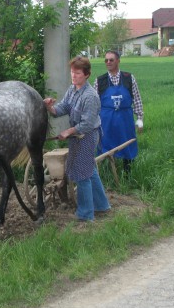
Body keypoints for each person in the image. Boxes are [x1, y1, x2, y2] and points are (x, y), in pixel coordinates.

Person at [44, 56, 111, 222]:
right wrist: (50, 107)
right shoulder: (72, 89)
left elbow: (87, 124)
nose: (74, 76)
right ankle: (102, 205)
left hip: (87, 136)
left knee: (82, 174)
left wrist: (68, 131)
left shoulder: (90, 96)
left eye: (78, 73)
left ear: (87, 74)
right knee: (90, 171)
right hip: (77, 135)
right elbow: (64, 107)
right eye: (72, 72)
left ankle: (86, 214)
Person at [93, 50, 144, 173]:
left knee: (127, 144)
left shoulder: (129, 78)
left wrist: (140, 118)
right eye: (106, 60)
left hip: (125, 119)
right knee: (106, 145)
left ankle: (128, 174)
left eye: (111, 60)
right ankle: (106, 173)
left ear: (118, 61)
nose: (108, 62)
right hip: (106, 120)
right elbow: (94, 104)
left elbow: (137, 99)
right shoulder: (100, 81)